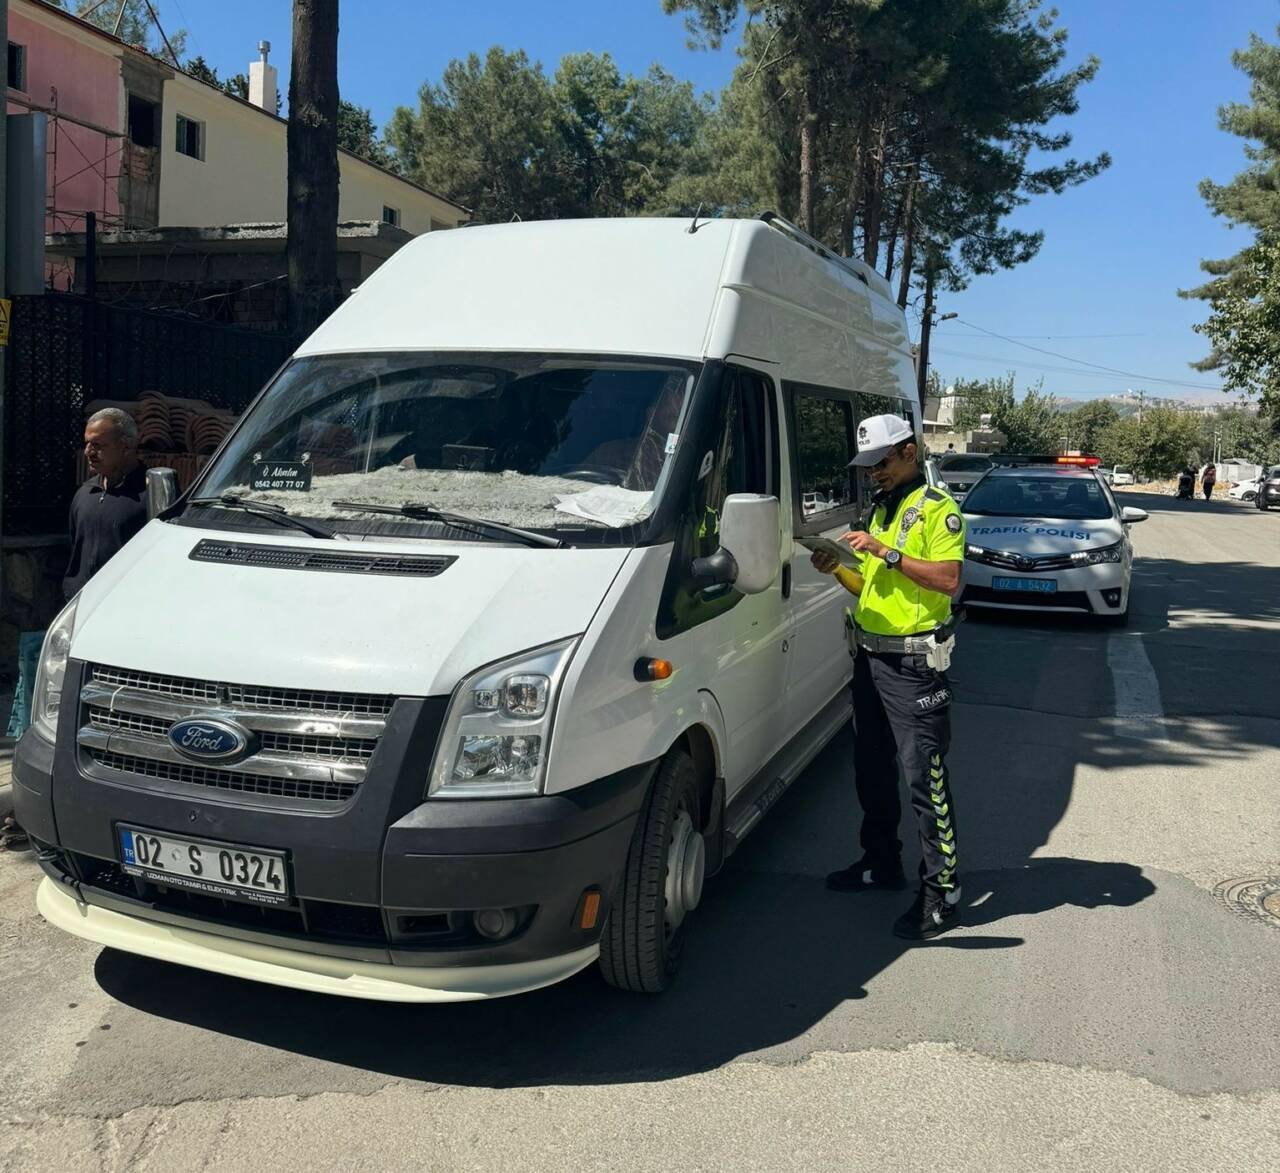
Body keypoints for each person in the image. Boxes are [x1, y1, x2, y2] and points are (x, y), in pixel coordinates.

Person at [809, 414, 966, 940]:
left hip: (914, 667)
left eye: (880, 462)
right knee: (870, 769)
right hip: (872, 659)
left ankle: (942, 892)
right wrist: (840, 571)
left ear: (909, 453)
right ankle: (881, 863)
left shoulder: (937, 511)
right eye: (866, 465)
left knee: (926, 781)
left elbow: (947, 580)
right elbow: (872, 592)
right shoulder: (882, 509)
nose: (872, 473)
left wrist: (888, 552)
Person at [64, 408, 148, 600]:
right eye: (87, 444)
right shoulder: (85, 493)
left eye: (98, 445)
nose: (88, 452)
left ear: (126, 446)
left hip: (127, 604)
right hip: (81, 603)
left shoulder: (151, 495)